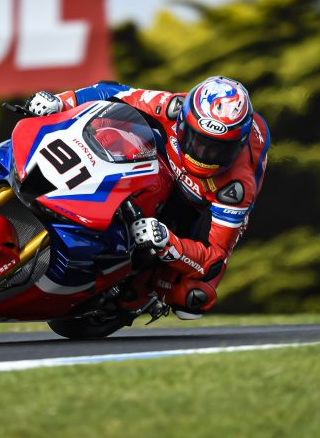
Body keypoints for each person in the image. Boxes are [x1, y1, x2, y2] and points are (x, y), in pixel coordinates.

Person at [25, 77, 270, 319]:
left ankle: (145, 292)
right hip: (164, 162)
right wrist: (61, 101)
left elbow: (213, 259)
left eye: (218, 149)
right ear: (183, 121)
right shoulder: (171, 107)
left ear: (237, 146)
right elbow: (115, 92)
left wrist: (168, 242)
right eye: (197, 140)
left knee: (192, 297)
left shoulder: (237, 189)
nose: (203, 154)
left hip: (198, 205)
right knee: (111, 129)